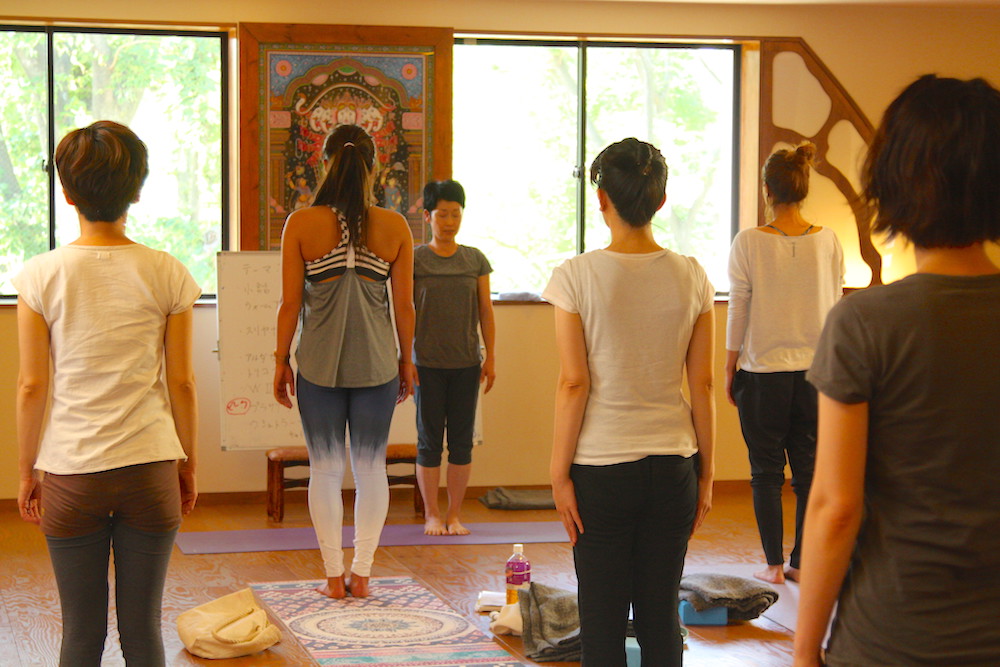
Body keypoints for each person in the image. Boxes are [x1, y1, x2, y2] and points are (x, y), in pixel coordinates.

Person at [794, 75, 1000, 666]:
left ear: (893, 182)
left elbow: (836, 506)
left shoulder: (865, 322)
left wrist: (804, 652)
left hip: (894, 640)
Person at [14, 120, 200, 666]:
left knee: (79, 635)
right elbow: (182, 382)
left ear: (67, 193)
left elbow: (32, 385)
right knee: (143, 632)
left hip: (72, 473)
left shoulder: (40, 275)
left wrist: (26, 474)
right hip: (151, 468)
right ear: (137, 191)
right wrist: (187, 464)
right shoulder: (167, 271)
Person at [544, 138, 716, 666]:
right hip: (674, 466)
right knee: (660, 617)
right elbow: (703, 385)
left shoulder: (575, 276)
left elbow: (574, 383)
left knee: (602, 622)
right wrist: (707, 474)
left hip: (600, 471)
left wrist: (558, 474)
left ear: (601, 199)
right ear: (660, 201)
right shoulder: (693, 275)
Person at [273, 124, 416, 600]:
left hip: (317, 367)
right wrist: (407, 361)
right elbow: (404, 307)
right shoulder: (395, 226)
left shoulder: (301, 223)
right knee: (371, 470)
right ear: (373, 167)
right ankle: (364, 575)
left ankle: (334, 578)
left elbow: (289, 305)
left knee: (326, 471)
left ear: (324, 164)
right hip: (378, 366)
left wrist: (280, 360)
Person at [725, 142, 844, 584]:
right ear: (803, 187)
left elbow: (738, 307)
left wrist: (729, 366)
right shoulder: (829, 241)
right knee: (809, 472)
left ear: (767, 191)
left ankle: (773, 565)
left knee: (765, 473)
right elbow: (836, 305)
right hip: (816, 375)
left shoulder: (749, 242)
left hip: (761, 375)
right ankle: (801, 562)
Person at [413, 179, 496, 536]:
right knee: (429, 442)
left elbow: (486, 311)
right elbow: (403, 311)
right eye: (442, 214)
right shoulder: (415, 259)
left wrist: (491, 357)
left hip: (467, 364)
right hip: (426, 365)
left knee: (462, 443)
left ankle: (454, 514)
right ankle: (432, 514)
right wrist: (404, 359)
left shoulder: (474, 260)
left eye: (455, 214)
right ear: (427, 216)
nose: (449, 222)